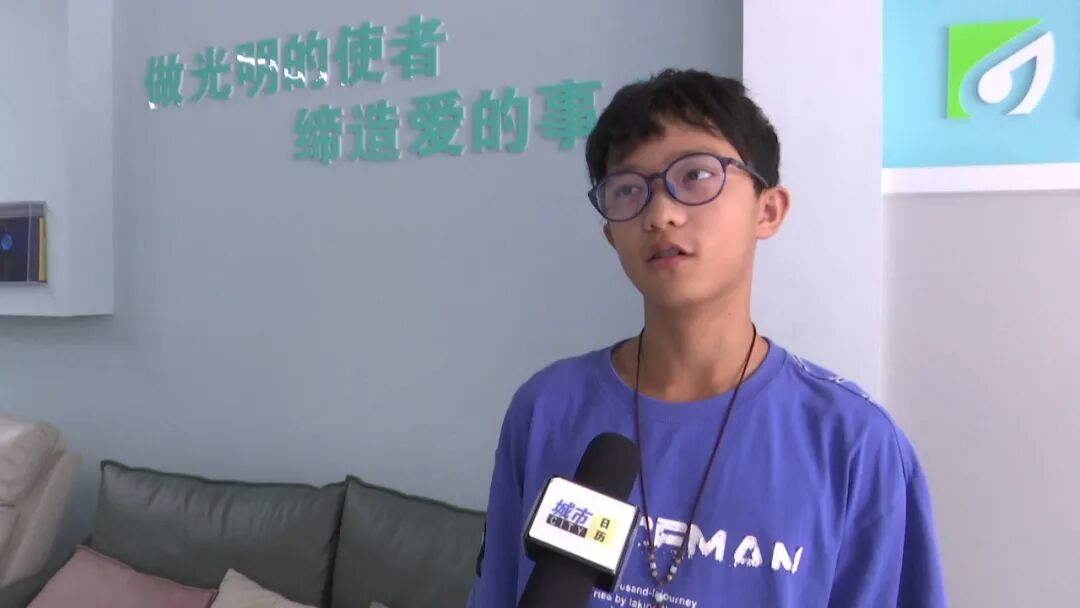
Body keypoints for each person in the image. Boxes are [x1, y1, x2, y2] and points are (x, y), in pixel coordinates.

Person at [468, 69, 947, 608]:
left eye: (695, 175)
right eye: (628, 190)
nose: (660, 214)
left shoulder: (855, 443)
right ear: (610, 235)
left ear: (768, 210)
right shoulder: (546, 408)